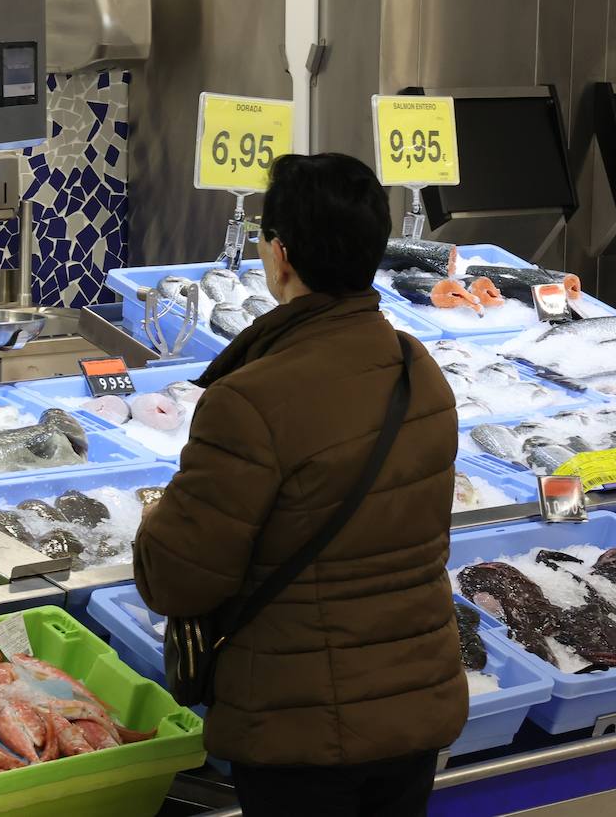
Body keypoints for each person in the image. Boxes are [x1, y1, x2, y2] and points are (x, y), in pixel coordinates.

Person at [133, 153, 467, 817]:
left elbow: (176, 581)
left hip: (299, 727)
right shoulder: (417, 369)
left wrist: (157, 519)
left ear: (280, 255)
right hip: (415, 709)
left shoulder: (250, 399)